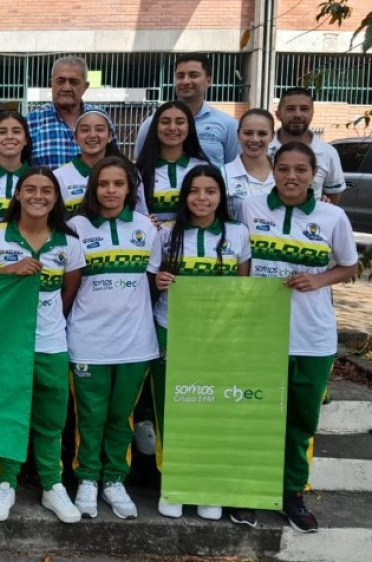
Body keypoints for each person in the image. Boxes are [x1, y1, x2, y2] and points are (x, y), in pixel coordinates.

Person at [236, 142, 357, 533]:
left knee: (300, 421)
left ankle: (292, 493)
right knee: (255, 419)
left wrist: (319, 278)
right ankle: (250, 492)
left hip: (312, 337)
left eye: (300, 170)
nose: (291, 177)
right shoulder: (250, 209)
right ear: (272, 169)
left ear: (313, 174)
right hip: (260, 335)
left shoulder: (333, 216)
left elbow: (349, 265)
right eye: (284, 169)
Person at [0, 167, 85, 524]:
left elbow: (70, 291)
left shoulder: (69, 243)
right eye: (31, 189)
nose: (39, 196)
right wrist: (9, 271)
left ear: (56, 198)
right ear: (18, 194)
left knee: (51, 419)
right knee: (9, 413)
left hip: (52, 343)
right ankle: (6, 482)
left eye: (47, 191)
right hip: (6, 344)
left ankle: (52, 485)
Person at [146, 164, 251, 521]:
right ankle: (172, 482)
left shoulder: (238, 234)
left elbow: (244, 290)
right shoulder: (166, 234)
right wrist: (158, 282)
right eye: (194, 191)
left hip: (219, 339)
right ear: (183, 196)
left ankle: (209, 485)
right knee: (172, 411)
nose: (201, 198)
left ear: (221, 196)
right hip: (170, 330)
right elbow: (150, 281)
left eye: (210, 191)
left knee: (213, 411)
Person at [67, 156, 158, 520]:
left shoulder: (147, 228)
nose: (110, 190)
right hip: (87, 339)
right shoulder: (75, 226)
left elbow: (151, 285)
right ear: (93, 188)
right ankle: (87, 477)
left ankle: (114, 479)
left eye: (118, 184)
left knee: (121, 416)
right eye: (103, 184)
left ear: (129, 189)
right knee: (89, 415)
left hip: (136, 342)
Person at [135, 53, 240, 167]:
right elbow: (142, 166)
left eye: (193, 75)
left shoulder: (228, 125)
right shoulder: (152, 124)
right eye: (180, 76)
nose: (185, 81)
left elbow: (234, 172)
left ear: (208, 81)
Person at [134, 100, 209, 225]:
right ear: (155, 127)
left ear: (189, 127)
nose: (173, 128)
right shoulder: (139, 171)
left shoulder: (203, 168)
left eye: (180, 122)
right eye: (165, 122)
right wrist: (144, 222)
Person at [268, 87, 346, 204]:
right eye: (290, 109)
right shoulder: (262, 150)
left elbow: (333, 197)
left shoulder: (328, 153)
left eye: (304, 109)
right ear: (278, 114)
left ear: (312, 113)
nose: (298, 114)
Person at [26, 56, 100, 169]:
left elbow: (113, 161)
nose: (66, 88)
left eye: (74, 82)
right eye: (60, 81)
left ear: (85, 87)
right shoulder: (32, 121)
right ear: (51, 84)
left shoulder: (99, 118)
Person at [53, 109, 124, 214]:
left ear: (110, 136)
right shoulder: (58, 177)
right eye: (85, 130)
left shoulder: (126, 173)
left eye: (99, 129)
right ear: (76, 137)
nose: (92, 135)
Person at [222, 108, 275, 220]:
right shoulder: (222, 175)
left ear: (272, 136)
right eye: (248, 133)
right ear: (238, 134)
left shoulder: (284, 175)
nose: (255, 139)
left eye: (262, 134)